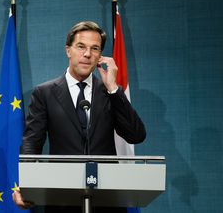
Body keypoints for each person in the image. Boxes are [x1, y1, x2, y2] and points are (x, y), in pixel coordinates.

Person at [12, 21, 146, 213]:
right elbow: (31, 143)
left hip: (106, 200)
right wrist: (26, 184)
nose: (87, 54)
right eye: (81, 47)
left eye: (95, 49)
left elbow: (136, 135)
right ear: (68, 50)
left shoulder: (109, 92)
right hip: (61, 198)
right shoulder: (45, 93)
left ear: (100, 56)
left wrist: (113, 89)